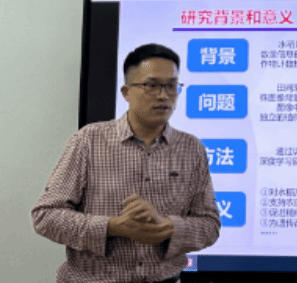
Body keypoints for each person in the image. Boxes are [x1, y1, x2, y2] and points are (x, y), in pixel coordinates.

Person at [32, 43, 221, 283]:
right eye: (152, 85)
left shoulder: (191, 148)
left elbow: (210, 225)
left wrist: (169, 227)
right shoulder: (88, 141)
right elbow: (45, 216)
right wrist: (112, 227)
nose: (164, 96)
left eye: (172, 86)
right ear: (126, 92)